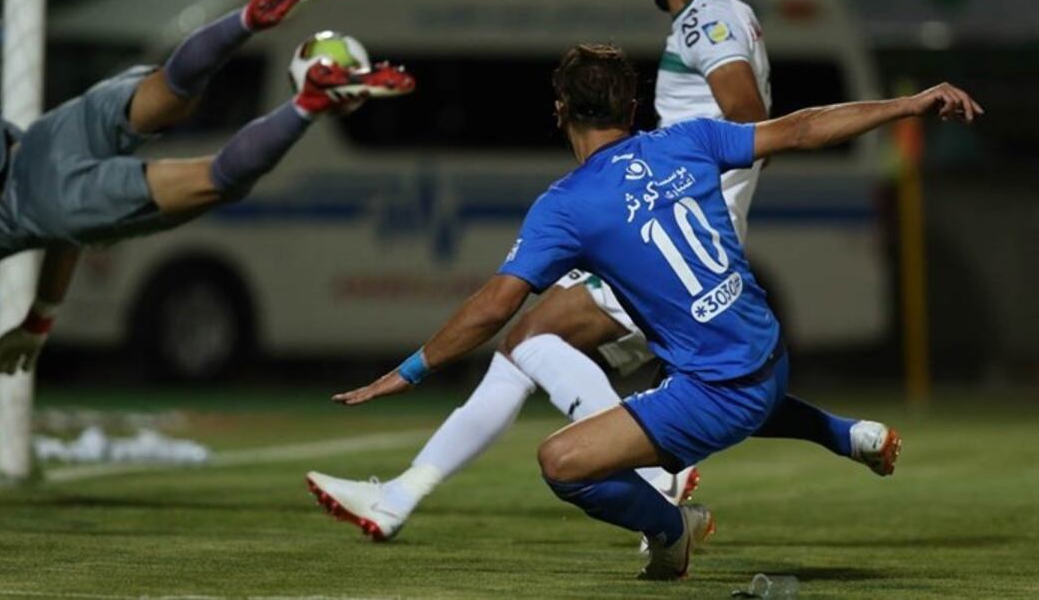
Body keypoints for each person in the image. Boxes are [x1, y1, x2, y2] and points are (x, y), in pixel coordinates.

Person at [307, 0, 889, 540]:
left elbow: (752, 122)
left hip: (661, 244)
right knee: (588, 361)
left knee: (525, 340)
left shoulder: (704, 19)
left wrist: (681, 199)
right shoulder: (738, 13)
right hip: (681, 242)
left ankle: (641, 478)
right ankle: (838, 435)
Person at [322, 44, 980, 580]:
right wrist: (910, 104)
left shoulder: (566, 206)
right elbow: (803, 128)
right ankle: (842, 433)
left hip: (715, 399)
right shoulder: (685, 141)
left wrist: (409, 368)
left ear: (560, 111)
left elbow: (496, 304)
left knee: (562, 462)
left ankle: (673, 529)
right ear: (633, 106)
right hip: (774, 355)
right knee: (687, 369)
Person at [0, 0, 415, 424]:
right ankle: (250, 15)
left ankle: (307, 103)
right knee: (170, 88)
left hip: (43, 198)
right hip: (47, 135)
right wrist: (37, 321)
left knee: (215, 178)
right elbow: (62, 236)